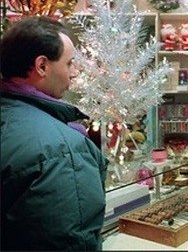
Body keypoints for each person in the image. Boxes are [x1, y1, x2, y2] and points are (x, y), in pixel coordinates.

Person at [0, 16, 108, 250]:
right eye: (69, 63)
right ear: (42, 66)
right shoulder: (62, 148)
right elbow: (70, 242)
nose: (75, 73)